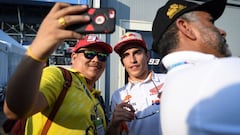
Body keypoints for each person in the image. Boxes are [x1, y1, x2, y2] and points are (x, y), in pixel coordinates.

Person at [3, 2, 113, 135]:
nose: (96, 60)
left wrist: (116, 123)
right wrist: (37, 52)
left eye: (102, 56)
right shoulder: (59, 76)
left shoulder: (97, 98)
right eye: (89, 54)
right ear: (74, 57)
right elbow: (16, 109)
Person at [151, 0, 240, 134]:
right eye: (211, 22)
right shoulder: (220, 73)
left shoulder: (172, 83)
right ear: (186, 28)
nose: (222, 31)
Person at [106, 32, 166, 135]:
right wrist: (114, 124)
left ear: (147, 55)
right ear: (122, 62)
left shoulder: (168, 81)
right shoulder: (118, 96)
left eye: (137, 53)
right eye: (126, 55)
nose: (132, 60)